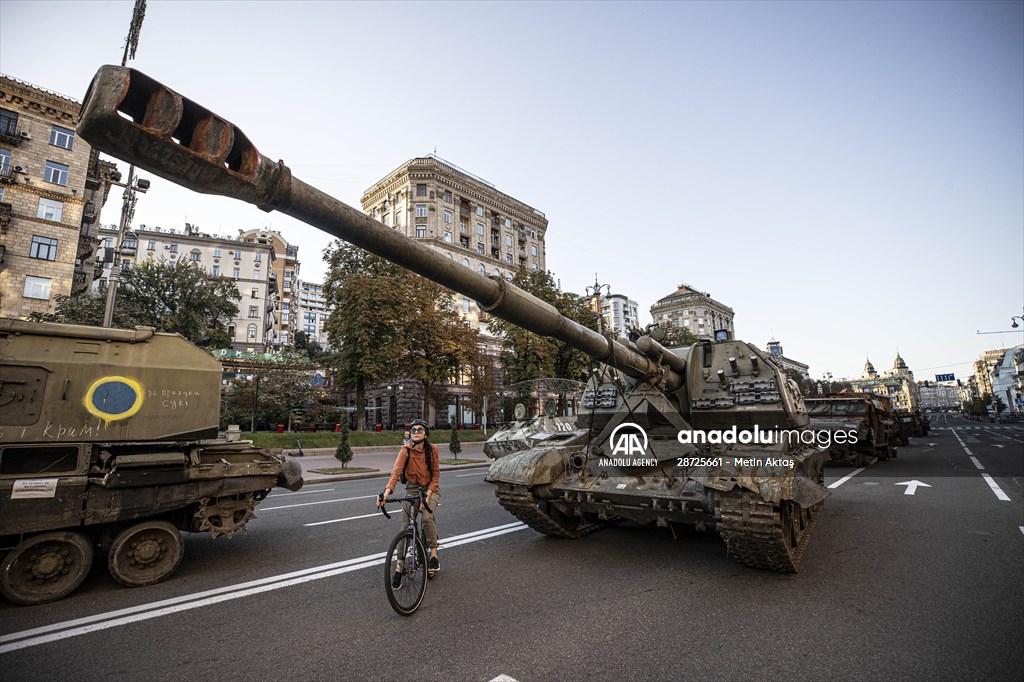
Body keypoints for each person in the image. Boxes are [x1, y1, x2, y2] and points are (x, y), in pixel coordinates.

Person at [378, 418, 440, 588]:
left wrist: (427, 496)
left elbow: (435, 476)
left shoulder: (432, 450)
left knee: (427, 518)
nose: (416, 432)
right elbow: (395, 473)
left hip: (430, 489)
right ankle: (399, 569)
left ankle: (433, 556)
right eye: (413, 430)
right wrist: (385, 493)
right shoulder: (405, 451)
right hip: (411, 491)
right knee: (405, 528)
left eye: (420, 430)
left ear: (426, 433)